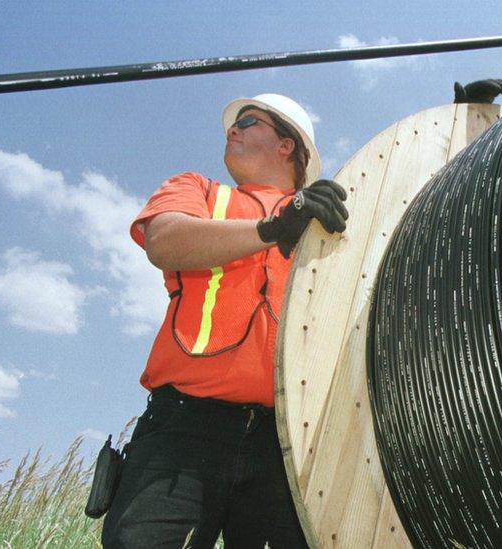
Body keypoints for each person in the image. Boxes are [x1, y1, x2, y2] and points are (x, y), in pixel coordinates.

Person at [101, 93, 348, 548]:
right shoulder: (199, 190)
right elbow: (165, 240)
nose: (231, 129)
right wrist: (274, 227)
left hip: (289, 444)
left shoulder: (330, 222)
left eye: (248, 121)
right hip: (184, 431)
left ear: (286, 145)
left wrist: (460, 141)